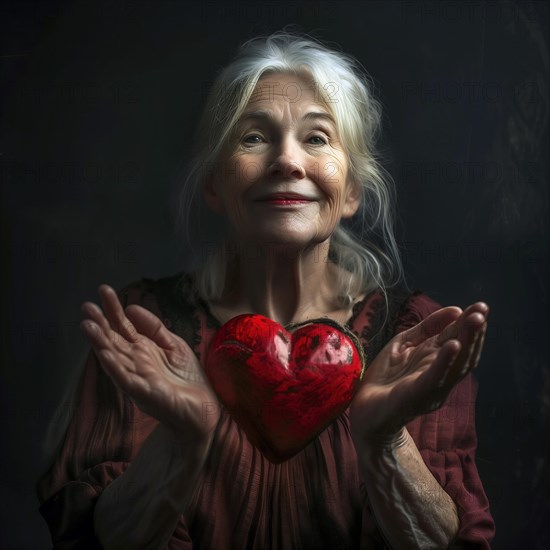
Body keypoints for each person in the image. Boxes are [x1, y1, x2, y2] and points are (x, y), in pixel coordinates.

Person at [37, 31, 495, 549]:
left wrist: (383, 441)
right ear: (214, 183)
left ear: (352, 191)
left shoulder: (418, 340)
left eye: (317, 138)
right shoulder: (145, 336)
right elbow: (91, 540)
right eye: (254, 137)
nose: (287, 161)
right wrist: (182, 442)